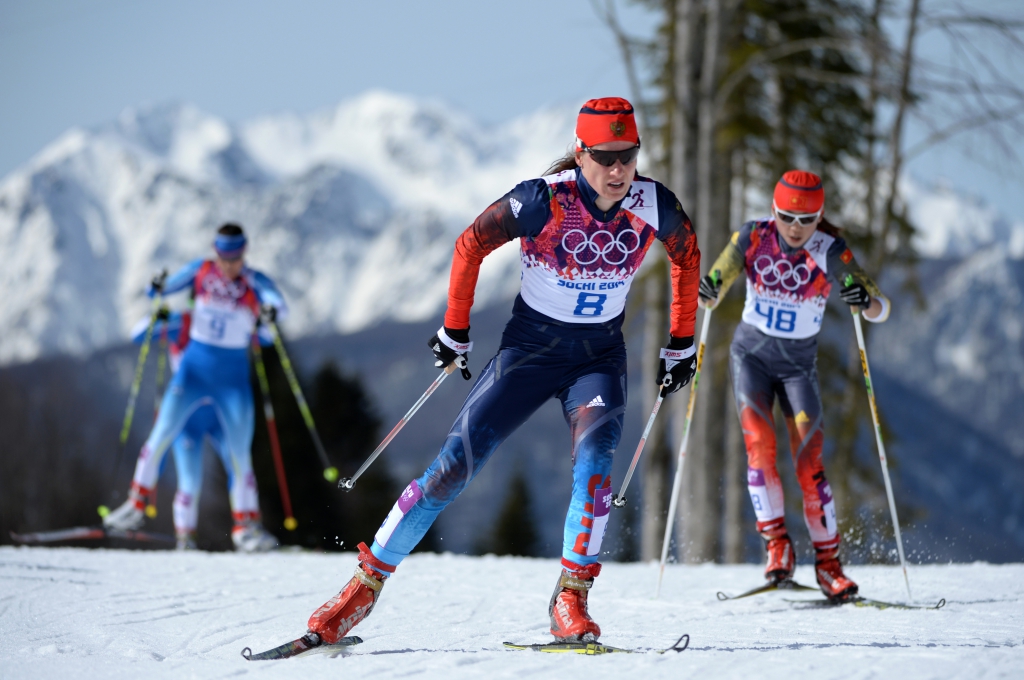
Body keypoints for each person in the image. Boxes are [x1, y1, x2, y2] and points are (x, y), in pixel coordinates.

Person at [302, 97, 701, 644]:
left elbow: (687, 256)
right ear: (580, 153)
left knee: (595, 472)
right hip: (527, 355)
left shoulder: (654, 203)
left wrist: (682, 344)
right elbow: (469, 245)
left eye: (628, 156)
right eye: (605, 157)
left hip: (598, 359)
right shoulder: (541, 200)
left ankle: (571, 599)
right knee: (450, 471)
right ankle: (361, 590)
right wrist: (454, 330)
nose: (618, 170)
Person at [699, 170, 890, 601]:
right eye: (787, 217)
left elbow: (881, 307)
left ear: (819, 216)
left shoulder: (831, 250)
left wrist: (867, 302)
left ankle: (828, 565)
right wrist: (708, 290)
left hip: (797, 369)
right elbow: (714, 283)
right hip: (751, 360)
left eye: (806, 219)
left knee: (811, 466)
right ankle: (778, 547)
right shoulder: (752, 236)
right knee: (760, 449)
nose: (796, 228)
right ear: (774, 210)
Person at [104, 223, 288, 553]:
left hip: (232, 383)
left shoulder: (254, 281)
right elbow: (159, 289)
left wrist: (271, 311)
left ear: (244, 253)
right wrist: (156, 286)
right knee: (160, 435)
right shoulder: (201, 271)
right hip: (192, 374)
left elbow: (278, 305)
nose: (228, 264)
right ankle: (135, 505)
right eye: (223, 256)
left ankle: (246, 528)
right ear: (216, 252)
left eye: (234, 257)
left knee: (239, 456)